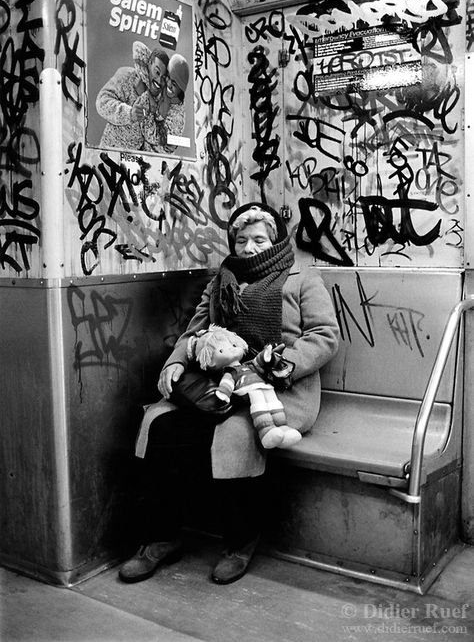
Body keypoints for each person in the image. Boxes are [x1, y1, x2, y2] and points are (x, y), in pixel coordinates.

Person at [119, 202, 340, 585]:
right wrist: (174, 362)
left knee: (237, 434)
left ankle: (241, 540)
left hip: (277, 387)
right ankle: (162, 536)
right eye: (242, 241)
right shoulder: (223, 280)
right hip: (220, 383)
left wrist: (277, 363)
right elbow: (194, 331)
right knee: (164, 425)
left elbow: (325, 336)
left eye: (259, 239)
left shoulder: (302, 277)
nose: (250, 247)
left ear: (274, 240)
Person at [96, 41, 169, 150]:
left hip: (140, 162)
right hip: (109, 155)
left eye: (163, 78)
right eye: (157, 73)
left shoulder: (162, 99)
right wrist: (129, 113)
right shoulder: (127, 75)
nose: (159, 80)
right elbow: (102, 101)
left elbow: (158, 137)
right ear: (149, 64)